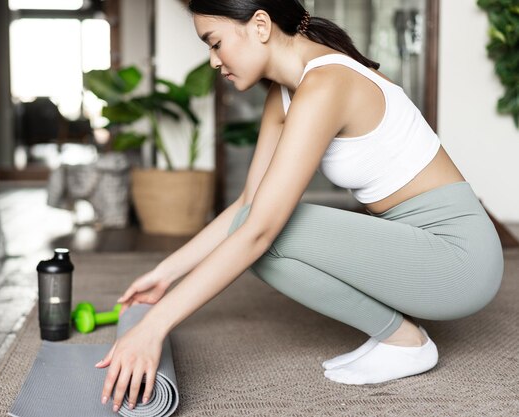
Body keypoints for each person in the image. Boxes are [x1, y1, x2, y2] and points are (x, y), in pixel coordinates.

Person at [95, 0, 504, 412]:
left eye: (215, 43)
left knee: (263, 231)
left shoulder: (328, 82)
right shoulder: (285, 95)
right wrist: (164, 275)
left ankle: (404, 342)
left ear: (259, 25)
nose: (214, 61)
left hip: (461, 260)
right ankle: (402, 338)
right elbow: (248, 203)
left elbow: (258, 229)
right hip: (416, 244)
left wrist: (155, 326)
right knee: (254, 223)